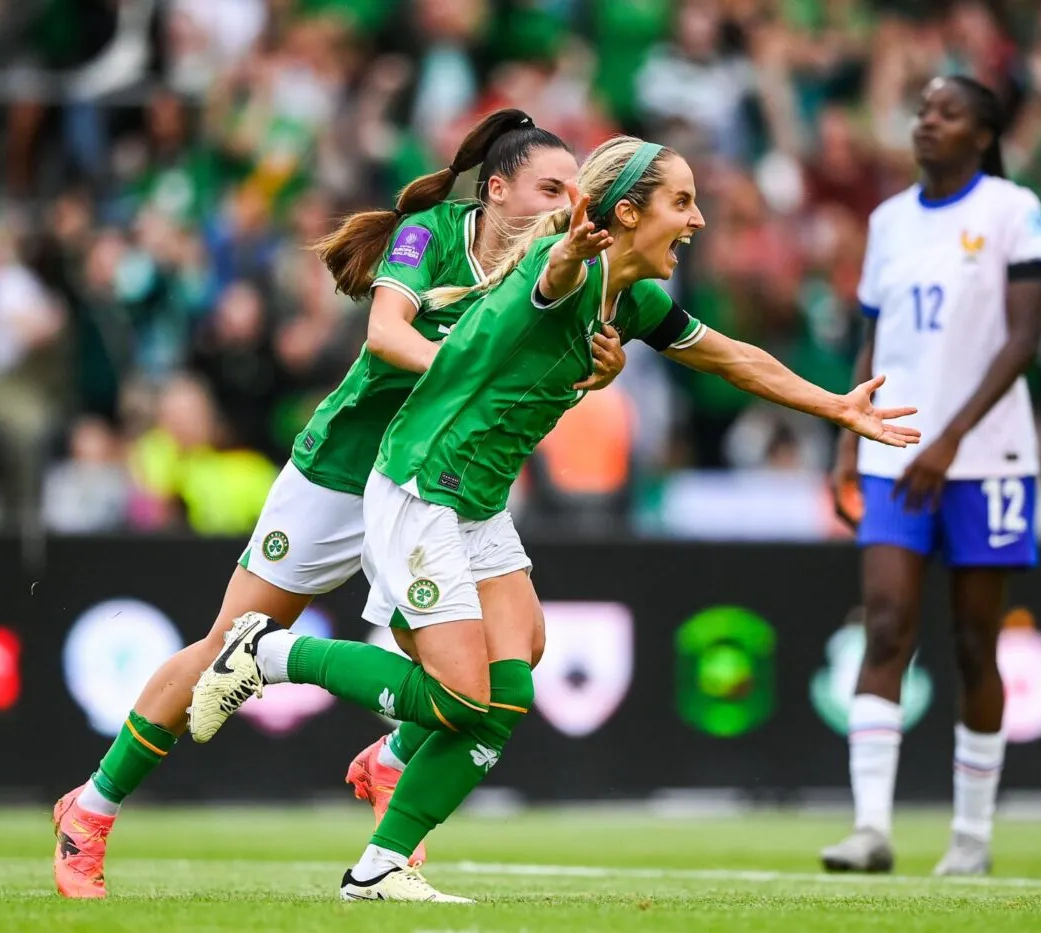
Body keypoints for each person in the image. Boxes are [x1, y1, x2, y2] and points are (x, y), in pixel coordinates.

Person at [187, 134, 922, 903]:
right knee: (461, 697)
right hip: (422, 484)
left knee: (511, 685)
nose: (698, 219)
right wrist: (571, 247)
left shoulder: (632, 301)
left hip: (476, 498)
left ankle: (378, 867)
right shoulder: (564, 267)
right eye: (682, 202)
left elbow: (732, 357)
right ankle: (268, 657)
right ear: (628, 212)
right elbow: (556, 272)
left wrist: (835, 405)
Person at [50, 109, 625, 899]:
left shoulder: (561, 269)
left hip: (438, 484)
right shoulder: (428, 234)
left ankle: (388, 764)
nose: (567, 206)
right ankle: (91, 806)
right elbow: (386, 337)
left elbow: (560, 372)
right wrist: (469, 381)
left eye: (574, 192)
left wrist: (601, 363)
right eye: (549, 188)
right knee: (231, 639)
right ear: (496, 190)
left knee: (506, 658)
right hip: (345, 472)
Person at [820, 76, 1041, 877]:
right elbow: (874, 339)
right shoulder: (888, 222)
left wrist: (951, 438)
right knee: (885, 622)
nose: (927, 123)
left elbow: (1024, 340)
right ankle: (870, 828)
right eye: (921, 111)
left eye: (947, 113)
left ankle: (972, 837)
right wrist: (848, 441)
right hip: (892, 448)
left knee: (973, 641)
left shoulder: (1012, 211)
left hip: (984, 458)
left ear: (983, 135)